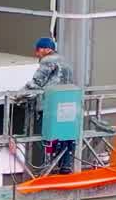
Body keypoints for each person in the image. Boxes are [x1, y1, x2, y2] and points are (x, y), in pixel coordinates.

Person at [20, 35, 77, 175]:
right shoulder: (65, 62)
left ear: (45, 50)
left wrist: (18, 95)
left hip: (50, 105)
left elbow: (36, 82)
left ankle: (48, 168)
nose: (37, 54)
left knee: (48, 137)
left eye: (38, 51)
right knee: (67, 135)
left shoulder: (48, 61)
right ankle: (66, 166)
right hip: (67, 105)